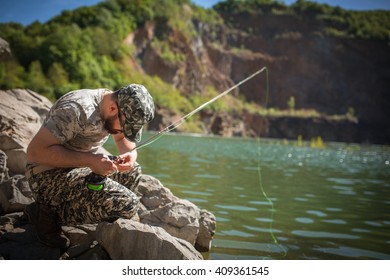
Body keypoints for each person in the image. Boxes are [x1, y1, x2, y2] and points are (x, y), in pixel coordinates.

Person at [24, 84, 155, 248]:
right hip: (45, 173)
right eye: (125, 126)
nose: (124, 131)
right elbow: (35, 152)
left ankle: (101, 215)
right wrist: (91, 161)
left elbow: (122, 139)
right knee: (128, 204)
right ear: (113, 108)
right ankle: (47, 213)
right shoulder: (77, 110)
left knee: (133, 170)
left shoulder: (114, 107)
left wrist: (130, 155)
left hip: (79, 166)